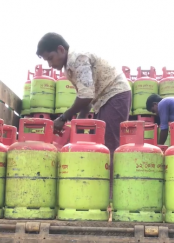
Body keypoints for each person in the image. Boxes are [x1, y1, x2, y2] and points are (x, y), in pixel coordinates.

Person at [36, 32, 132, 196]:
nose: (50, 64)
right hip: (103, 100)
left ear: (61, 50)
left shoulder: (77, 58)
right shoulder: (69, 67)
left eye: (51, 58)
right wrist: (77, 126)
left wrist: (63, 117)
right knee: (101, 143)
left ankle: (111, 194)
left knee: (109, 144)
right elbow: (86, 97)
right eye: (47, 61)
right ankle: (103, 190)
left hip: (115, 94)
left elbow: (86, 96)